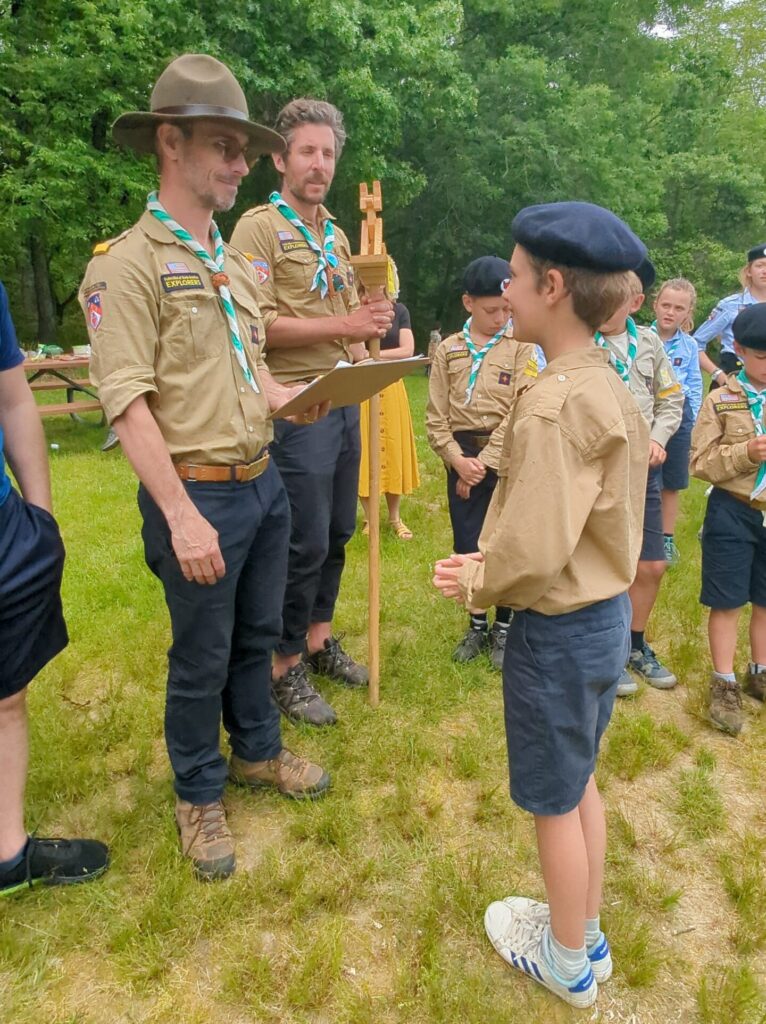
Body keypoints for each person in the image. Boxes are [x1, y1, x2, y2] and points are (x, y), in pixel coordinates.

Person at [80, 54, 331, 881]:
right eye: (224, 146)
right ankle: (198, 794)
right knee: (200, 653)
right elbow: (128, 404)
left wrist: (295, 398)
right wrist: (181, 514)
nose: (239, 164)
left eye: (242, 149)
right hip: (195, 493)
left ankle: (257, 751)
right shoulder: (125, 265)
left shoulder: (231, 263)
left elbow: (251, 371)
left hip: (263, 483)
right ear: (169, 144)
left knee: (257, 636)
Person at [433, 202, 649, 1008]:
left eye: (516, 277)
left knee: (553, 802)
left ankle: (565, 961)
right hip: (603, 623)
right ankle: (584, 928)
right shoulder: (604, 380)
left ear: (553, 286)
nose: (506, 288)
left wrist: (478, 580)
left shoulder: (558, 403)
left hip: (557, 632)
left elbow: (533, 545)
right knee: (580, 776)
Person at [230, 99, 394, 728]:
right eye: (307, 151)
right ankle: (282, 664)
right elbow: (258, 327)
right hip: (296, 403)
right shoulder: (258, 230)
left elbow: (352, 317)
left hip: (345, 393)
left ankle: (319, 640)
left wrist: (368, 335)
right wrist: (346, 324)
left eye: (328, 153)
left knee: (338, 532)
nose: (319, 164)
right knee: (302, 539)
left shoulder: (337, 234)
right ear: (279, 157)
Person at [0, 282, 109, 896]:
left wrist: (40, 517)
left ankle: (8, 854)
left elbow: (13, 399)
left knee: (6, 692)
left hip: (4, 525)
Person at [426, 256, 540, 670]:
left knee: (504, 541)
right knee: (468, 540)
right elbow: (436, 415)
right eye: (492, 310)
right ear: (468, 303)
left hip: (505, 454)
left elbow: (521, 406)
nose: (501, 317)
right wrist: (458, 460)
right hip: (461, 454)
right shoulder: (449, 350)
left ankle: (505, 628)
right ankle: (477, 623)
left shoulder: (522, 348)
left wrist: (485, 462)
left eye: (507, 309)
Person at [596, 262, 684, 696]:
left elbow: (671, 399)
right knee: (602, 562)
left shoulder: (648, 343)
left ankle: (634, 645)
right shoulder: (580, 340)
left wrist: (659, 437)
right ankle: (606, 655)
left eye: (619, 297)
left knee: (650, 563)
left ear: (634, 302)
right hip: (597, 470)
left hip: (643, 471)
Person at [690, 302, 766, 735]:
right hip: (733, 512)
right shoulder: (720, 400)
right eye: (760, 357)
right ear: (738, 350)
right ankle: (724, 681)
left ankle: (760, 670)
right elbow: (699, 462)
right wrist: (744, 454)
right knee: (728, 600)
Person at [358, 285, 420, 540]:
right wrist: (369, 359)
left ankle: (394, 516)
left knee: (393, 448)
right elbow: (355, 354)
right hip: (361, 385)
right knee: (364, 449)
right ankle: (368, 518)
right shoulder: (355, 310)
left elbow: (407, 350)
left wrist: (375, 357)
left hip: (391, 385)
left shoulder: (399, 310)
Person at [651, 278, 704, 563]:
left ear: (688, 313)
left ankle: (666, 539)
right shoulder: (641, 339)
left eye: (679, 308)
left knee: (672, 482)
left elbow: (694, 384)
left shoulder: (690, 346)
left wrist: (692, 420)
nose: (670, 313)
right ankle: (642, 535)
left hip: (679, 419)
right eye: (666, 305)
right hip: (648, 415)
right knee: (647, 479)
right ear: (655, 304)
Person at [695, 243, 766, 387]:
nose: (765, 271)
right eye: (760, 265)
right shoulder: (730, 305)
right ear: (749, 271)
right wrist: (717, 374)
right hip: (733, 376)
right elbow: (695, 343)